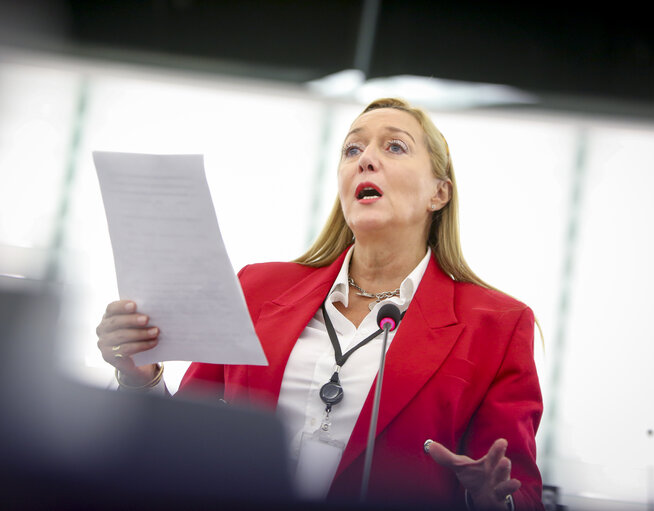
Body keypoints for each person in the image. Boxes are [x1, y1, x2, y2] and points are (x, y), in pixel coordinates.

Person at [96, 98, 544, 510]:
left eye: (394, 147)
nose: (366, 158)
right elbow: (182, 442)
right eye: (352, 150)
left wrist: (491, 503)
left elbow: (519, 490)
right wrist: (139, 378)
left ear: (438, 194)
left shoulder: (499, 326)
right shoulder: (257, 287)